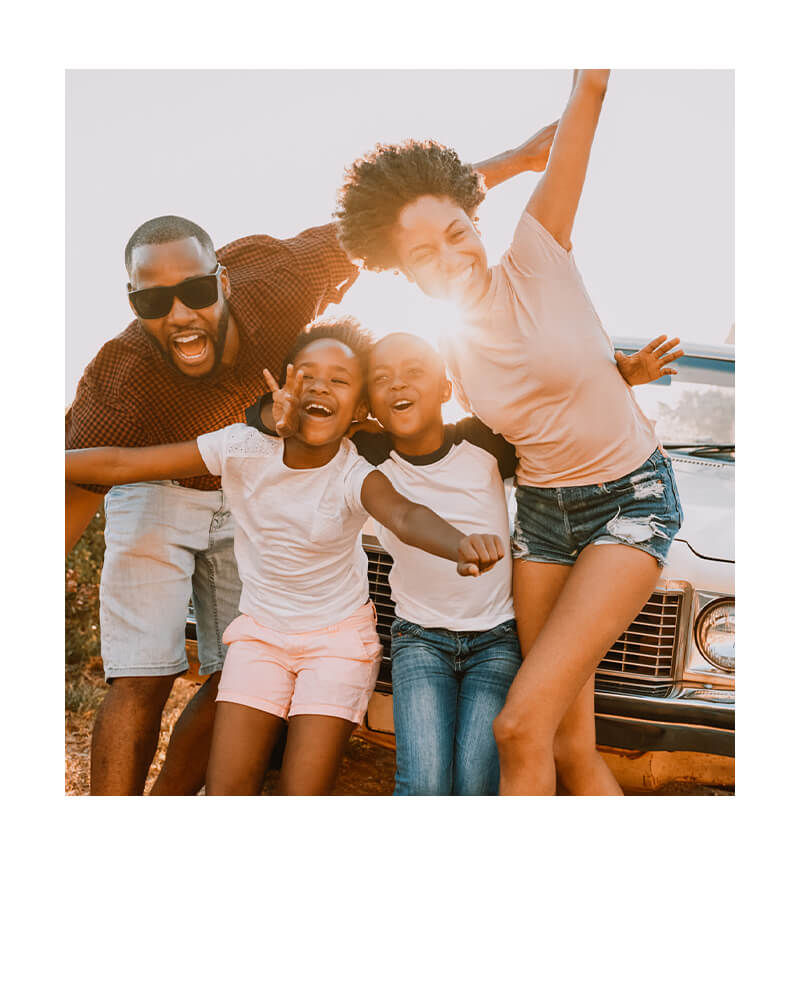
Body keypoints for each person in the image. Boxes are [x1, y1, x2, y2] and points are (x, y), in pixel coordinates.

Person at [65, 125, 557, 797]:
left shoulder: (286, 278)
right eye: (153, 302)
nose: (180, 314)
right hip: (166, 476)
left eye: (197, 293)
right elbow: (95, 472)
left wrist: (521, 160)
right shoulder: (118, 386)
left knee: (236, 665)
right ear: (133, 304)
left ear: (225, 281)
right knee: (141, 674)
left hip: (261, 490)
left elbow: (395, 216)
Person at [335, 70, 685, 795]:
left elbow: (586, 98)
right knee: (564, 743)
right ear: (403, 270)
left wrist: (591, 73)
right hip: (544, 525)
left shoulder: (539, 250)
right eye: (422, 254)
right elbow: (456, 424)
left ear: (476, 221)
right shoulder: (448, 354)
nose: (450, 256)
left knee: (518, 724)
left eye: (457, 233)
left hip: (631, 500)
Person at [66, 320, 505, 795]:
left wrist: (458, 543)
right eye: (307, 375)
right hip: (261, 636)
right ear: (282, 389)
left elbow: (403, 515)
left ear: (359, 410)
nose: (320, 386)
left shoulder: (354, 472)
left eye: (339, 379)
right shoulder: (242, 448)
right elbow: (121, 464)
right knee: (228, 789)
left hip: (337, 643)